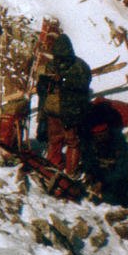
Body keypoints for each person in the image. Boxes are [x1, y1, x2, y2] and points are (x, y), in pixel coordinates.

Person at [37, 33, 91, 176]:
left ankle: (71, 172)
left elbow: (84, 84)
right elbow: (40, 88)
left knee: (72, 141)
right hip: (53, 110)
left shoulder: (80, 66)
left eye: (61, 55)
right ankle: (53, 168)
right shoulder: (50, 64)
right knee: (54, 140)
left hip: (70, 112)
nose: (58, 59)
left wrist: (64, 80)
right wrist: (45, 81)